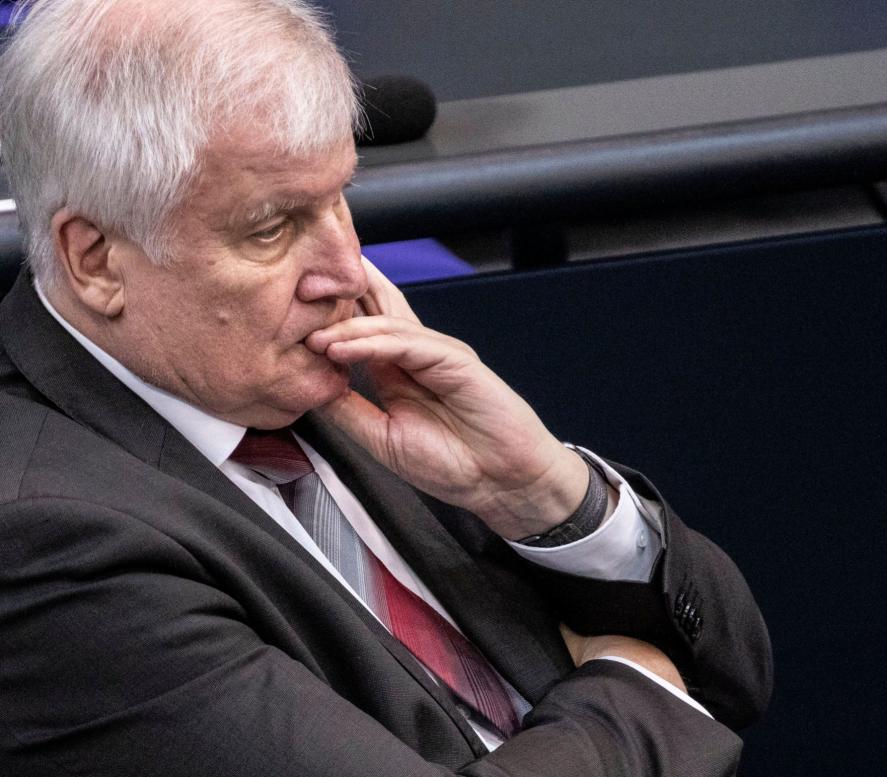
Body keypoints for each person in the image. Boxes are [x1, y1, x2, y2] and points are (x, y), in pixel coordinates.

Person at [0, 1, 772, 775]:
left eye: (339, 198)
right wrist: (640, 686)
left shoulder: (337, 381)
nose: (347, 273)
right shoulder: (43, 537)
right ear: (95, 259)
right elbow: (692, 703)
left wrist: (545, 496)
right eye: (270, 228)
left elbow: (736, 670)